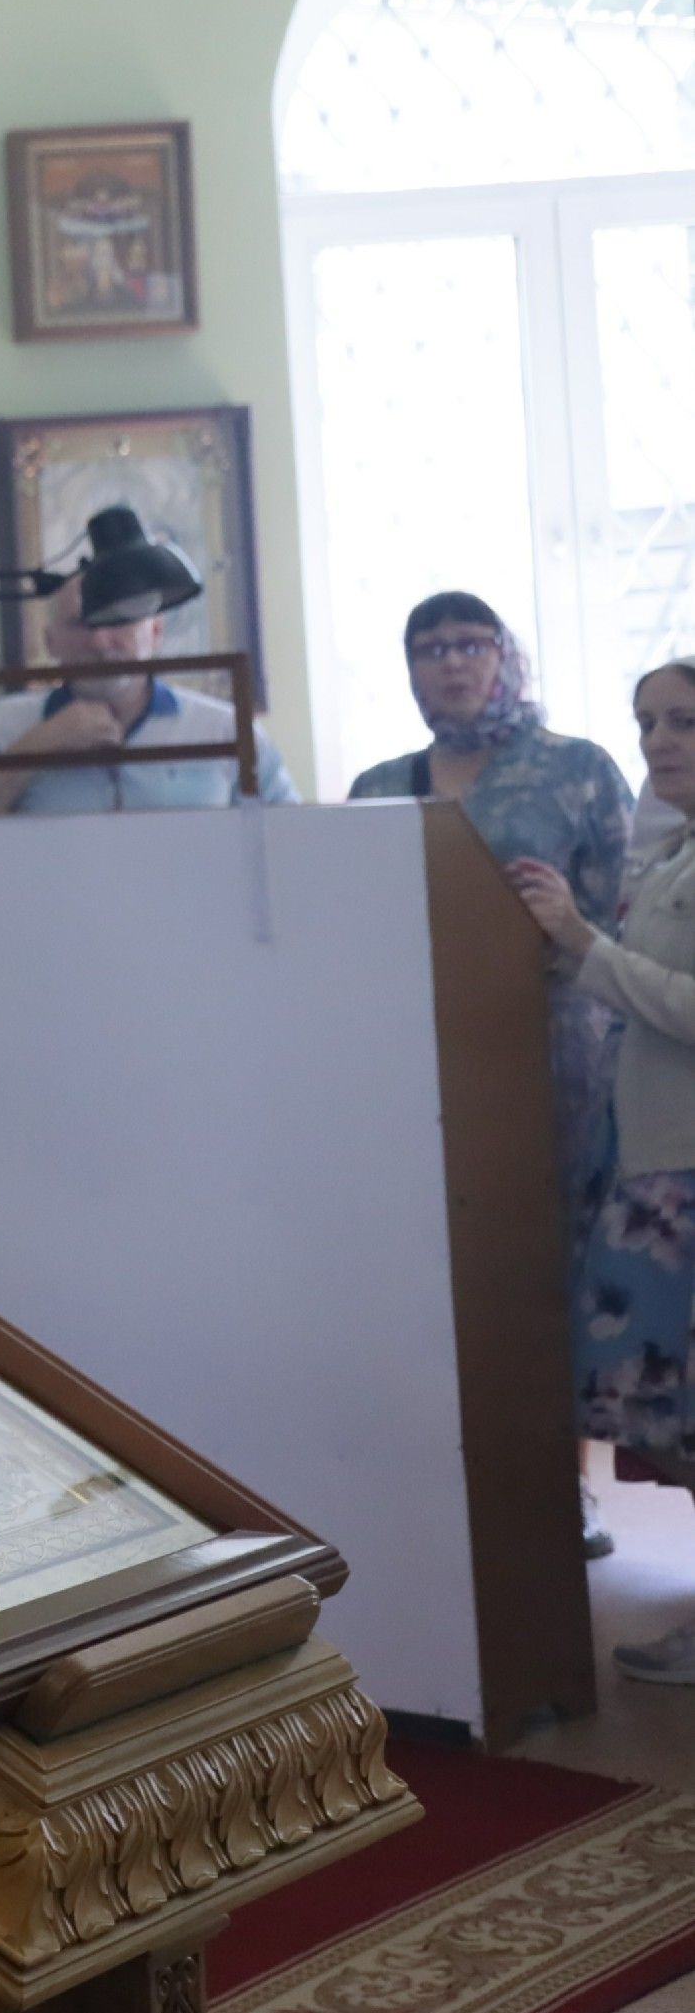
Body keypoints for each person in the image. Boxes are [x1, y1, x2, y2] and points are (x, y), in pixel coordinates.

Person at [350, 593, 633, 1507]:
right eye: (430, 649)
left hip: (554, 1052)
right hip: (414, 1053)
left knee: (548, 1261)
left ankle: (563, 1488)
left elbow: (622, 921)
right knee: (441, 1262)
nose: (452, 663)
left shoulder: (575, 769)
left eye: (472, 645)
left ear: (506, 657)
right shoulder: (378, 785)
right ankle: (455, 1484)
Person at [520, 660, 695, 1669]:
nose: (658, 742)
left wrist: (587, 947)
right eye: (646, 722)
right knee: (658, 1412)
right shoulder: (670, 852)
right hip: (654, 1167)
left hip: (686, 1174)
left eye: (684, 721)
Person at [0, 504, 296, 816]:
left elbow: (292, 838)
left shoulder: (225, 730)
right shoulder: (6, 725)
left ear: (155, 632)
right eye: (80, 624)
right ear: (50, 642)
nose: (99, 640)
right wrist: (39, 745)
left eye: (117, 621)